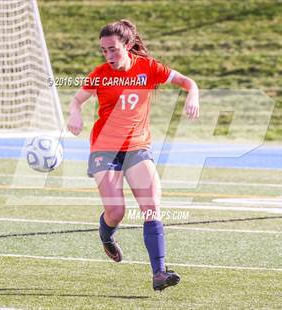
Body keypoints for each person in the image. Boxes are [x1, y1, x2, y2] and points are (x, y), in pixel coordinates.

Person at [67, 19, 199, 291]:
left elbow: (188, 82)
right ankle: (106, 235)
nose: (108, 55)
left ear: (127, 45)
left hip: (138, 147)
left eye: (113, 49)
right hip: (105, 149)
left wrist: (192, 95)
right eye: (104, 50)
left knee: (151, 206)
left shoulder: (148, 67)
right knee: (116, 212)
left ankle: (159, 273)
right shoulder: (101, 74)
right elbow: (77, 99)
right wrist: (75, 114)